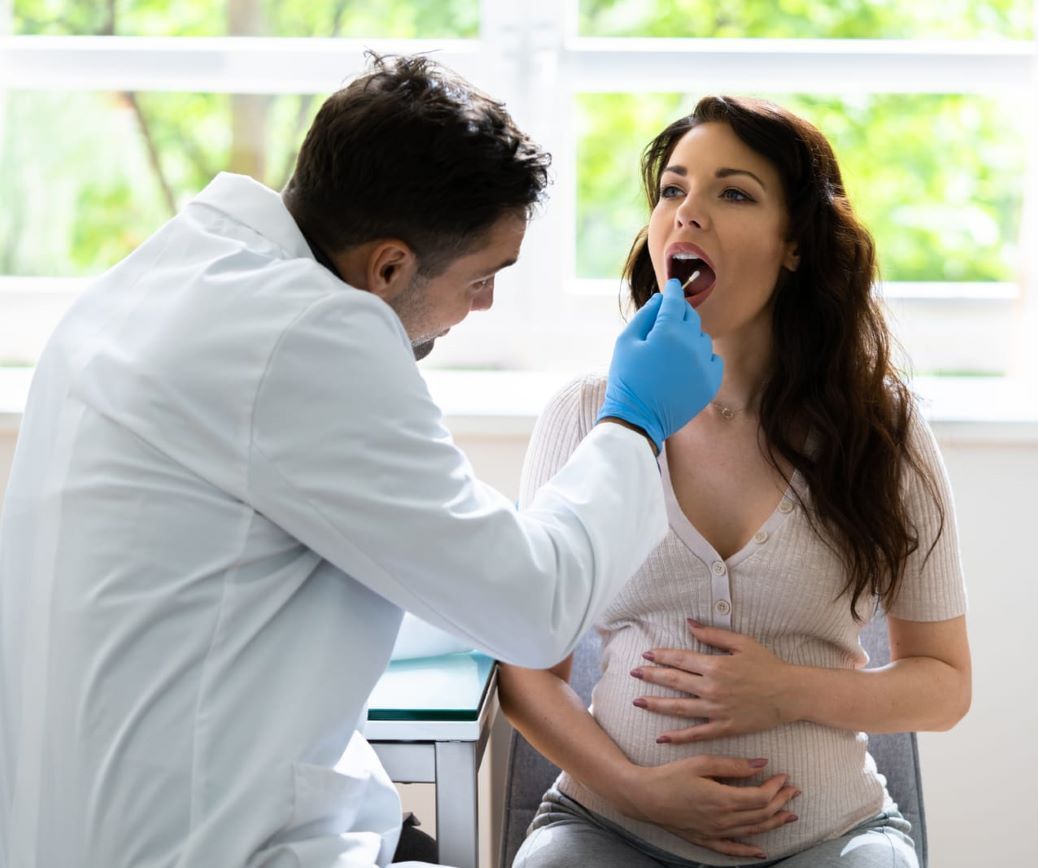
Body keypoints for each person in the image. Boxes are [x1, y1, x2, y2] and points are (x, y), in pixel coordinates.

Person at [0, 55, 721, 868]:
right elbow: (532, 607)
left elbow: (293, 570)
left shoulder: (163, 279)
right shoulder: (308, 338)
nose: (482, 307)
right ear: (388, 267)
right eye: (482, 279)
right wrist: (633, 421)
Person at [499, 96, 972, 868]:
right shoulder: (586, 414)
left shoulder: (884, 432)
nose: (687, 215)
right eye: (673, 190)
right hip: (609, 828)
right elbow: (525, 672)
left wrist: (788, 690)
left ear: (794, 245)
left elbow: (944, 685)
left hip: (834, 838)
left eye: (733, 192)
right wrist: (633, 789)